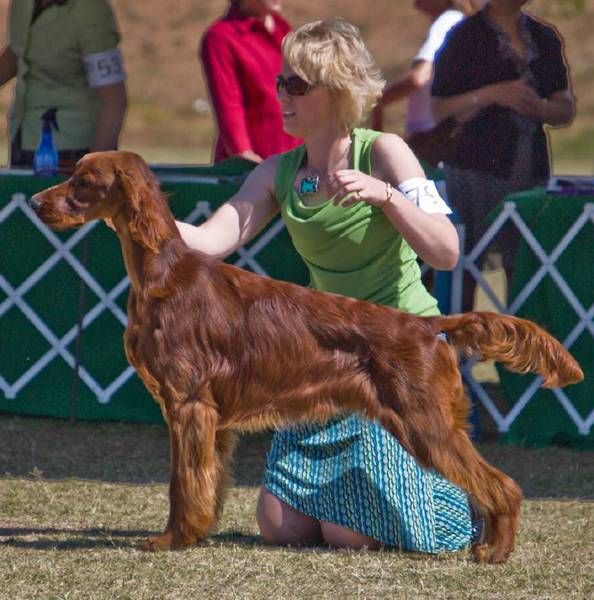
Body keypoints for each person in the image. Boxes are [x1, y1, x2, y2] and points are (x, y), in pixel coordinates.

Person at [178, 17, 483, 553]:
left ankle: (457, 505)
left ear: (338, 92)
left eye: (297, 85)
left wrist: (386, 197)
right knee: (280, 528)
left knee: (347, 533)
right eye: (281, 82)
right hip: (324, 359)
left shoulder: (385, 152)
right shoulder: (279, 172)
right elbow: (209, 241)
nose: (281, 95)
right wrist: (136, 210)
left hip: (396, 356)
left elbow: (447, 250)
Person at [431, 0, 575, 311]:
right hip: (475, 169)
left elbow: (565, 106)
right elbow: (439, 109)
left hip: (530, 168)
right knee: (468, 262)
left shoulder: (544, 36)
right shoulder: (464, 36)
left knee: (524, 266)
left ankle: (517, 347)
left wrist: (543, 109)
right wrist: (494, 94)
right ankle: (460, 348)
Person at [0, 0, 128, 170]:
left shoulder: (91, 11)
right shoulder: (22, 4)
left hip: (73, 151)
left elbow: (114, 102)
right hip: (23, 138)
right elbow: (19, 50)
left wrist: (93, 170)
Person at [373, 0, 482, 166]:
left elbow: (419, 77)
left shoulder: (446, 22)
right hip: (441, 138)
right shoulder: (455, 21)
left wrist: (381, 100)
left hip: (430, 141)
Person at [200, 0, 301, 164]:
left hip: (293, 158)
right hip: (255, 165)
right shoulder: (220, 37)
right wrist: (243, 154)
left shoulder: (283, 30)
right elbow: (228, 103)